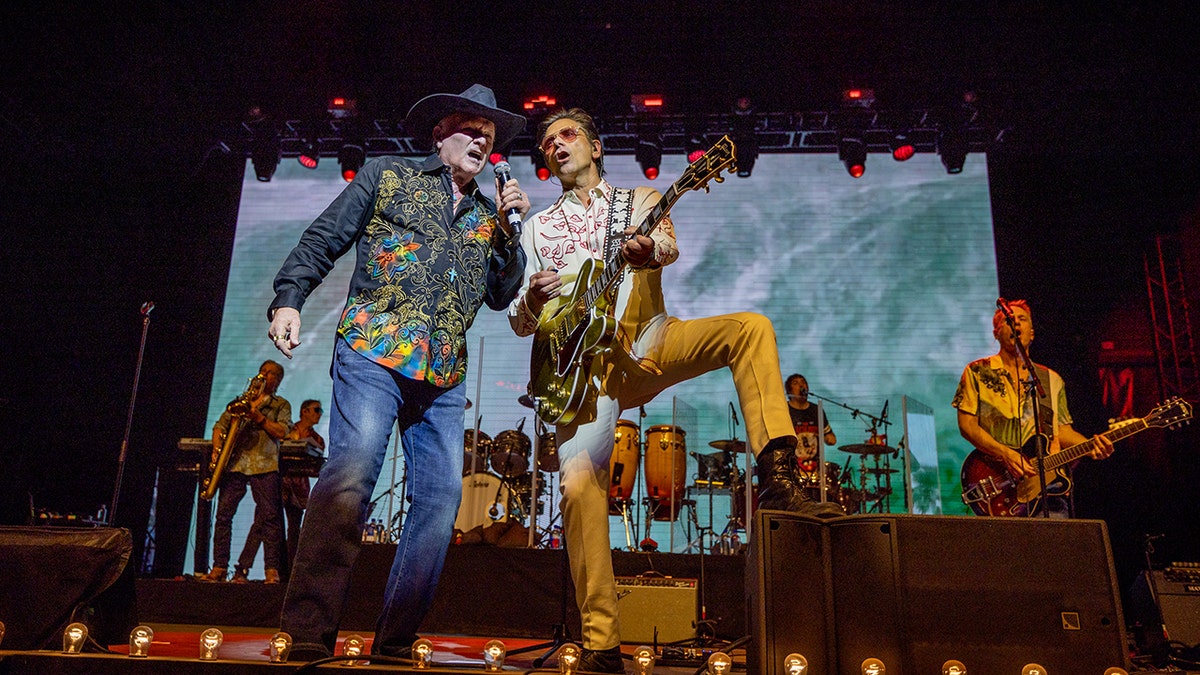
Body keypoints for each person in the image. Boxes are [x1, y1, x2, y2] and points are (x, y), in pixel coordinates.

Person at [507, 108, 839, 672]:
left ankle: (778, 478)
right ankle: (602, 644)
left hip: (651, 339)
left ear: (596, 146)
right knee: (578, 487)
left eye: (567, 135)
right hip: (585, 372)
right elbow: (520, 320)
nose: (556, 146)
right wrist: (533, 301)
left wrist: (648, 252)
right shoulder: (538, 228)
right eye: (546, 143)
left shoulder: (639, 200)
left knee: (750, 329)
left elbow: (666, 244)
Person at [266, 84, 528, 660]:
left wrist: (511, 234)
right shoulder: (388, 175)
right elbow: (325, 236)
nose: (482, 140)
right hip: (374, 347)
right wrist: (289, 298)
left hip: (443, 373)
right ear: (440, 134)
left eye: (489, 135)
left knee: (441, 499)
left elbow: (501, 293)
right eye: (471, 128)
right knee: (352, 473)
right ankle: (307, 631)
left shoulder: (489, 217)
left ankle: (395, 640)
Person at [953, 299, 1114, 517]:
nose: (1016, 324)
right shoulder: (977, 371)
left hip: (1048, 488)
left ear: (1032, 333)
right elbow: (967, 426)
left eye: (1022, 319)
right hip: (1000, 482)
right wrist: (1006, 453)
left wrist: (1091, 445)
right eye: (1009, 320)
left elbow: (1061, 431)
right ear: (996, 333)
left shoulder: (1051, 379)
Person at [202, 360, 292, 584]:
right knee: (223, 516)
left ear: (278, 380)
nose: (263, 375)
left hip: (264, 464)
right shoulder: (241, 401)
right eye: (262, 371)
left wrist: (259, 418)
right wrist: (217, 450)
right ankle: (219, 566)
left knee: (270, 518)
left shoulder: (281, 404)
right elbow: (220, 426)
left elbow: (282, 431)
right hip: (236, 463)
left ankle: (271, 569)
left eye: (269, 373)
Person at [282, 399, 324, 573]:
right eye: (316, 410)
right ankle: (243, 567)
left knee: (294, 530)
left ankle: (290, 571)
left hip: (299, 489)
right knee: (262, 525)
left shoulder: (317, 439)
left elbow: (316, 467)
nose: (319, 414)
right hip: (281, 483)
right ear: (305, 411)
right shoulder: (287, 430)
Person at [785, 373, 836, 460]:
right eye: (795, 383)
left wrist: (827, 438)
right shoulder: (784, 410)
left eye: (803, 382)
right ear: (789, 391)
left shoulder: (816, 410)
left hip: (815, 464)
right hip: (791, 463)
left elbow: (831, 439)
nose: (801, 385)